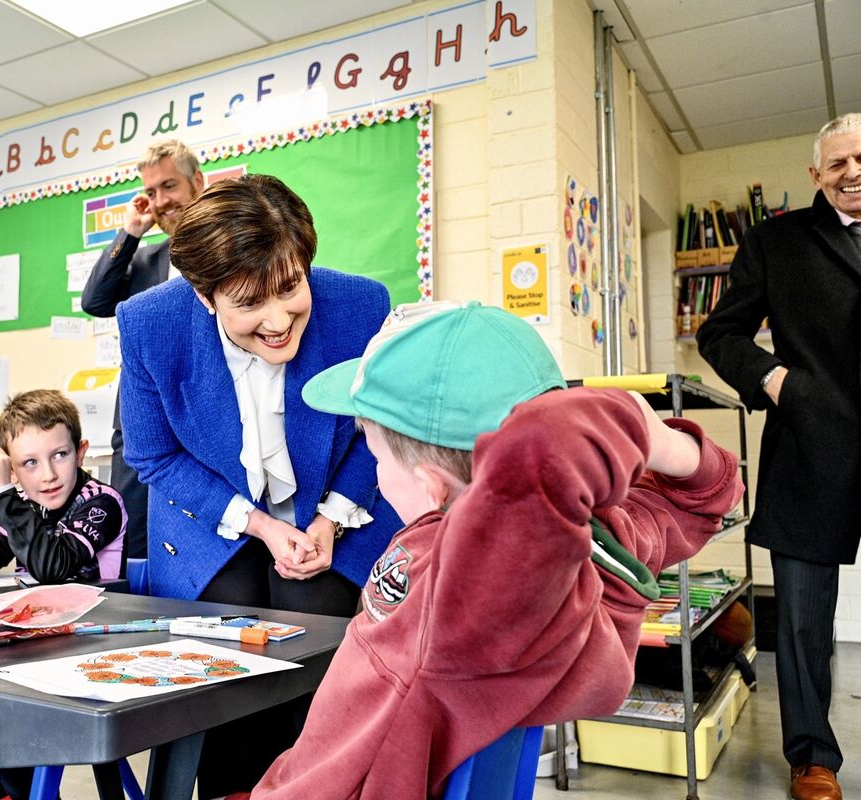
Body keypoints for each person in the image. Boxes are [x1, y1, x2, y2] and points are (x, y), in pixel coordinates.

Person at [225, 301, 744, 800]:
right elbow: (707, 497)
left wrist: (622, 420)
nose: (376, 478)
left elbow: (518, 501)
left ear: (433, 487)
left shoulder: (470, 591)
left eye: (377, 457)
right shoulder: (599, 548)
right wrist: (661, 440)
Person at [117, 173, 402, 797]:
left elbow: (376, 434)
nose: (278, 321)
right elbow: (154, 456)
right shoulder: (148, 323)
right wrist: (265, 527)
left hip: (337, 508)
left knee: (313, 629)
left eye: (292, 287)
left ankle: (324, 784)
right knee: (230, 647)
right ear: (204, 294)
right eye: (250, 303)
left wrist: (327, 521)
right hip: (213, 523)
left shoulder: (360, 306)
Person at [697, 113, 861, 800]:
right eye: (838, 163)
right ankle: (810, 756)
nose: (853, 171)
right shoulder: (776, 240)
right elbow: (721, 331)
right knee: (799, 620)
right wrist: (775, 379)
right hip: (810, 446)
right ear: (816, 175)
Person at [81, 139, 205, 562]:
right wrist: (131, 230)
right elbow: (95, 301)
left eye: (169, 186)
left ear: (197, 182)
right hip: (140, 413)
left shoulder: (224, 249)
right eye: (151, 192)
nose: (161, 201)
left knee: (198, 535)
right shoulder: (146, 261)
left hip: (201, 413)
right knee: (132, 533)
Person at [0, 389, 126, 584]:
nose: (49, 475)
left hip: (99, 613)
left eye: (60, 455)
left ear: (80, 454)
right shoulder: (24, 503)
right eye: (31, 462)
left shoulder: (102, 502)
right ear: (12, 471)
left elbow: (52, 568)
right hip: (43, 612)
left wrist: (2, 494)